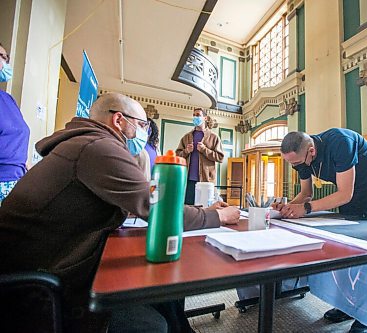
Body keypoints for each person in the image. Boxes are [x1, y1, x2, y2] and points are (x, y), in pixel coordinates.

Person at [0, 92, 239, 333]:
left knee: (162, 290)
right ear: (118, 120)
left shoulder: (87, 142)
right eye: (141, 124)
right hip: (38, 284)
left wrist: (202, 210)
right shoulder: (98, 147)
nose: (143, 132)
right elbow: (155, 205)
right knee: (152, 323)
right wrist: (217, 216)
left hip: (57, 260)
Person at [276, 129, 367, 333]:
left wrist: (305, 209)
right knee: (348, 249)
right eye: (291, 164)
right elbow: (306, 193)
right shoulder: (300, 157)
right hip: (351, 195)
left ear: (311, 151)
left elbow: (344, 194)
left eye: (296, 163)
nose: (295, 167)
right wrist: (284, 208)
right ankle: (349, 306)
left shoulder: (341, 142)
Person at [0, 42, 30, 205]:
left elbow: (17, 136)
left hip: (17, 180)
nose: (6, 62)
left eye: (7, 58)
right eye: (2, 56)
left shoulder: (8, 99)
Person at [176, 108, 224, 204]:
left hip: (206, 181)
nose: (195, 117)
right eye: (194, 115)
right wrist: (186, 151)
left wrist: (204, 150)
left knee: (204, 208)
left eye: (198, 115)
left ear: (205, 118)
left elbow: (220, 157)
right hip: (188, 181)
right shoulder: (186, 137)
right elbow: (177, 155)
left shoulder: (214, 137)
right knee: (188, 208)